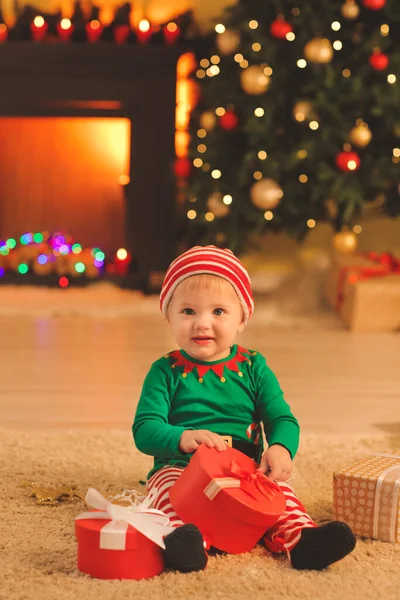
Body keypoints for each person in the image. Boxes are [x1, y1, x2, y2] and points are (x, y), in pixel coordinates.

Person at [132, 245, 356, 573]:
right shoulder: (164, 371)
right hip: (183, 467)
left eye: (218, 312)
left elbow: (280, 417)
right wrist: (182, 438)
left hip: (246, 471)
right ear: (169, 316)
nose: (202, 324)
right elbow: (145, 428)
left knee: (280, 496)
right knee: (167, 493)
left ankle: (303, 540)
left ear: (242, 318)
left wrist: (280, 447)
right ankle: (181, 541)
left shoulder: (253, 366)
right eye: (188, 312)